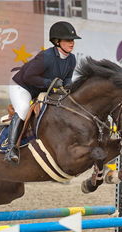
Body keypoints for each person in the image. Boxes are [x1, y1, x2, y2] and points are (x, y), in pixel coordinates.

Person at [5, 21, 81, 162]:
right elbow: (28, 76)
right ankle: (11, 149)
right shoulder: (46, 57)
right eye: (68, 40)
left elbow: (68, 80)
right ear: (57, 41)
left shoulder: (71, 59)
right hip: (22, 85)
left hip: (41, 89)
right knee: (23, 109)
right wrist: (50, 83)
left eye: (73, 40)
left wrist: (70, 89)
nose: (72, 43)